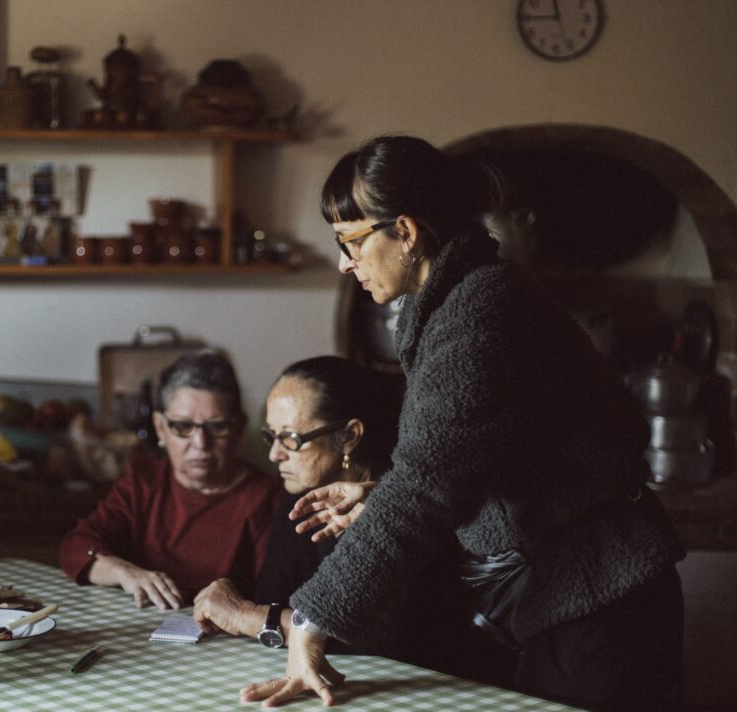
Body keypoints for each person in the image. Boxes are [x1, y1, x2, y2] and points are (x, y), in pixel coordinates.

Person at [240, 135, 685, 712]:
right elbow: (479, 460)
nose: (345, 262)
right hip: (576, 595)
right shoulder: (464, 302)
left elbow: (429, 485)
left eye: (350, 241)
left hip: (602, 599)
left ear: (405, 231)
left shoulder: (479, 315)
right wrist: (382, 494)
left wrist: (311, 617)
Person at [193, 356, 411, 655]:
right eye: (271, 435)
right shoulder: (299, 500)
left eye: (290, 438)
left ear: (348, 437)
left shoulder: (399, 507)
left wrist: (245, 615)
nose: (274, 455)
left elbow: (375, 638)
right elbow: (275, 601)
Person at [59, 350, 281, 609]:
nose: (200, 444)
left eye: (217, 427)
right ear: (160, 428)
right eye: (183, 427)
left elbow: (273, 598)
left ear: (239, 427)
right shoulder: (144, 482)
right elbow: (76, 546)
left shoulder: (266, 498)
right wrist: (123, 571)